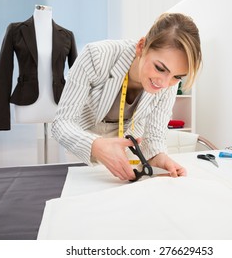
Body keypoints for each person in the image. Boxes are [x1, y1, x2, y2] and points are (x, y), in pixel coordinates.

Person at [52, 13, 202, 181]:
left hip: (130, 143)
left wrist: (159, 156)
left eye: (177, 76)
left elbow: (154, 136)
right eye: (160, 68)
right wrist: (95, 145)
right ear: (141, 47)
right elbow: (62, 123)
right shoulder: (96, 56)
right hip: (85, 138)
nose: (165, 84)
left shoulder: (168, 82)